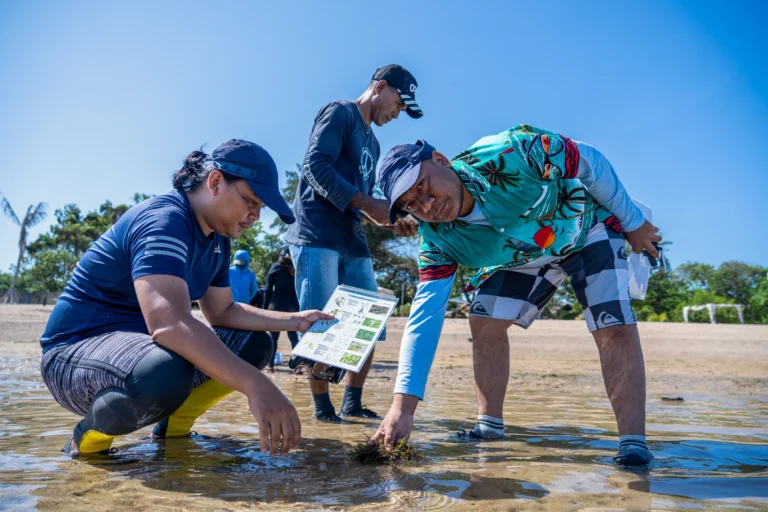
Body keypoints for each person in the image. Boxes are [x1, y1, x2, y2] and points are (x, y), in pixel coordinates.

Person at [372, 125, 662, 466]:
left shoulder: (513, 152)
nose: (426, 205)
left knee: (611, 323)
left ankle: (633, 444)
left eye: (423, 186)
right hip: (523, 253)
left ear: (440, 160)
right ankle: (489, 428)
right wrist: (402, 409)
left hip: (586, 226)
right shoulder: (436, 241)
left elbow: (591, 162)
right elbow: (425, 316)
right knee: (484, 321)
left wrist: (633, 222)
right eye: (411, 204)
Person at [39, 139, 332, 457]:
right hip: (73, 354)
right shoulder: (165, 220)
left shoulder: (218, 239)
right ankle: (86, 443)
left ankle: (173, 432)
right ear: (215, 182)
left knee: (254, 343)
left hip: (141, 351)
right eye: (251, 201)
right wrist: (257, 385)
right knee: (166, 373)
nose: (255, 216)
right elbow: (169, 325)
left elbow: (222, 311)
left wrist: (296, 321)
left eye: (261, 207)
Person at [285, 64, 421, 422]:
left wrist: (390, 219)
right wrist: (367, 204)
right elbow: (315, 167)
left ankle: (352, 402)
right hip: (317, 232)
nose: (398, 113)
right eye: (399, 103)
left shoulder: (373, 143)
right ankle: (323, 409)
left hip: (352, 237)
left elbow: (365, 200)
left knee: (368, 323)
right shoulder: (340, 113)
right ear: (380, 87)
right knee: (320, 324)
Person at [263, 246, 300, 373]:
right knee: (294, 337)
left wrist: (265, 307)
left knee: (273, 338)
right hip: (293, 306)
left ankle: (270, 366)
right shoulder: (297, 269)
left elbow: (268, 289)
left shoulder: (276, 267)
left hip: (276, 305)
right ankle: (298, 366)